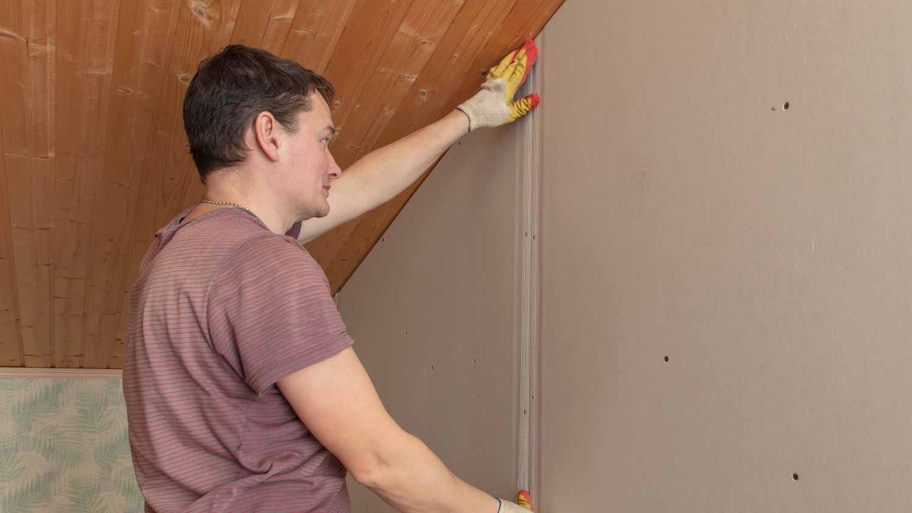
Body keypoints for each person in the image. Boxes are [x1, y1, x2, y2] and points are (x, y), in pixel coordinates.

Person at [122, 41, 540, 513]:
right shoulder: (263, 263)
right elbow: (379, 462)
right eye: (323, 139)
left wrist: (469, 114)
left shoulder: (177, 252)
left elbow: (357, 188)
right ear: (269, 135)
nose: (333, 163)